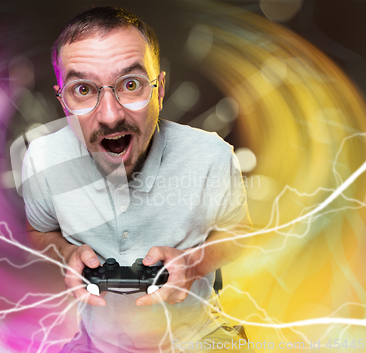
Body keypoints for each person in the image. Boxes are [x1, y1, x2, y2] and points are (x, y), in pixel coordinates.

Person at [22, 6, 251, 353]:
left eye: (131, 85)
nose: (110, 115)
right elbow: (38, 231)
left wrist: (193, 263)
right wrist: (67, 252)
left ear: (159, 90)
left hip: (197, 340)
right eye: (83, 90)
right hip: (97, 345)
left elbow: (241, 233)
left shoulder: (211, 155)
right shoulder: (42, 159)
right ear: (63, 101)